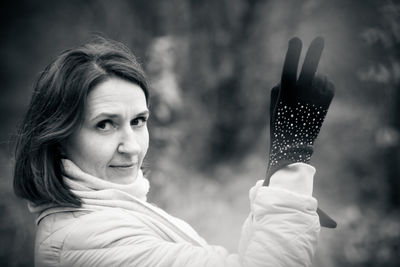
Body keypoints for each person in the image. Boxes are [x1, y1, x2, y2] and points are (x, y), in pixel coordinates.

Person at [13, 36, 335, 267]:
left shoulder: (110, 210)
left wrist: (280, 175)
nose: (132, 146)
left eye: (138, 121)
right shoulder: (87, 240)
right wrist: (291, 161)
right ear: (57, 136)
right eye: (105, 125)